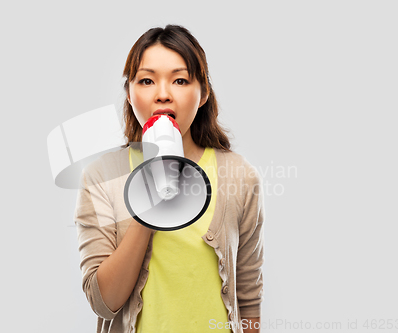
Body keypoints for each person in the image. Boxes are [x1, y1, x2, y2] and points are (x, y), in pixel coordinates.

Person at [74, 25, 265, 333]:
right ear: (129, 93)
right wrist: (149, 206)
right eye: (147, 80)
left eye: (179, 80)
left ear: (202, 93)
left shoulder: (240, 176)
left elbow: (248, 296)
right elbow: (103, 301)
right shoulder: (102, 177)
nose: (163, 94)